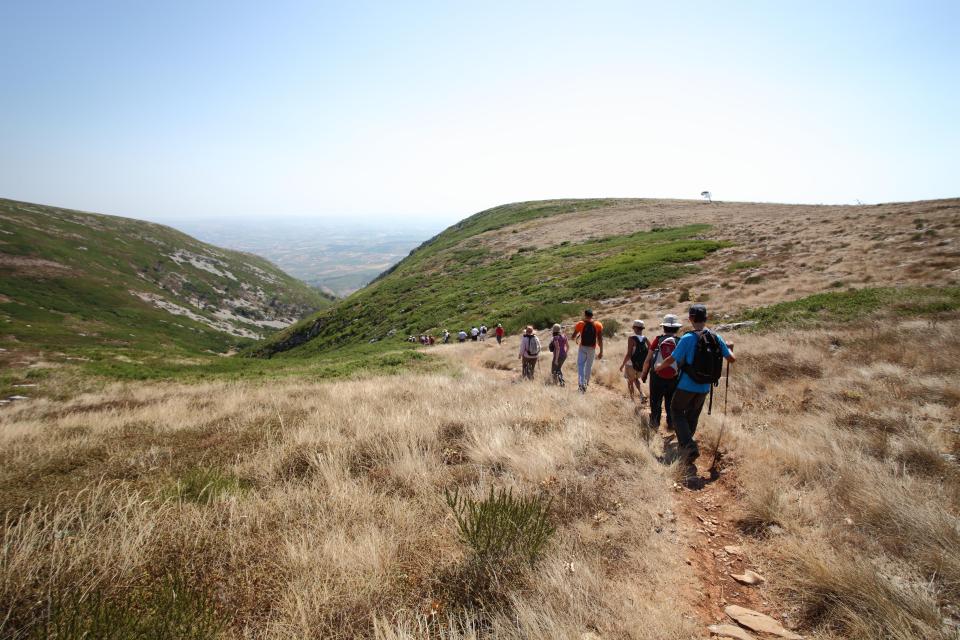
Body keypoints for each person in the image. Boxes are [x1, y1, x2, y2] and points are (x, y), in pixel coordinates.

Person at [654, 304, 735, 462]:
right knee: (693, 415)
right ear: (706, 318)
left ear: (690, 318)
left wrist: (659, 367)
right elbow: (731, 358)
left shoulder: (687, 338)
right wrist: (730, 347)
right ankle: (686, 446)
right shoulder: (715, 337)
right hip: (705, 386)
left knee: (676, 411)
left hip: (686, 384)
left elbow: (672, 359)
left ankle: (689, 446)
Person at [641, 313, 683, 431]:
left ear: (663, 327)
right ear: (677, 328)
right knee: (671, 401)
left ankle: (654, 424)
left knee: (655, 401)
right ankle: (671, 424)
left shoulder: (658, 340)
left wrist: (644, 373)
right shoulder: (680, 341)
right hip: (674, 377)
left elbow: (648, 359)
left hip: (656, 375)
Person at [571, 309, 603, 393]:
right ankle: (586, 383)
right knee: (588, 366)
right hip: (592, 348)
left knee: (580, 365)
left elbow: (573, 336)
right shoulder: (598, 325)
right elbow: (600, 339)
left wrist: (576, 336)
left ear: (585, 315)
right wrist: (601, 351)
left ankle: (581, 383)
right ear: (592, 315)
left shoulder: (580, 324)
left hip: (583, 347)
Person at [619, 320, 649, 403]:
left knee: (630, 382)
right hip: (640, 365)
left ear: (634, 328)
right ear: (642, 329)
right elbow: (651, 351)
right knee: (636, 379)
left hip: (630, 364)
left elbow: (629, 354)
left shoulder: (631, 338)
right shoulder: (645, 339)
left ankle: (632, 400)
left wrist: (622, 365)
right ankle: (642, 394)